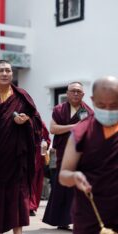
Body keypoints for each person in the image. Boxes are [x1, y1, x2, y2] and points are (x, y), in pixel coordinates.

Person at [0, 60, 43, 234]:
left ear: (12, 74)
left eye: (8, 71)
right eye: (1, 70)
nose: (5, 73)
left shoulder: (21, 96)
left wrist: (26, 121)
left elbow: (36, 121)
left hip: (17, 158)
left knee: (17, 197)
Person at [59, 76, 118, 233]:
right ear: (92, 100)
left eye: (113, 106)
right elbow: (63, 175)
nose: (108, 110)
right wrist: (74, 177)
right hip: (91, 211)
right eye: (101, 105)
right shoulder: (82, 130)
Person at [43, 81, 94, 230]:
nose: (76, 94)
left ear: (83, 94)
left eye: (79, 91)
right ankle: (61, 220)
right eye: (73, 91)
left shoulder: (88, 112)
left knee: (77, 189)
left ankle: (77, 219)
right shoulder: (59, 109)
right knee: (60, 187)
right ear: (67, 93)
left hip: (80, 155)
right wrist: (74, 126)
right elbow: (53, 129)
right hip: (61, 154)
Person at [29, 121, 51, 216]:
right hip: (28, 157)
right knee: (30, 184)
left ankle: (32, 206)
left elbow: (47, 139)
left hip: (39, 157)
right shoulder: (24, 120)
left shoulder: (41, 124)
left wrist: (45, 143)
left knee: (37, 184)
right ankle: (29, 206)